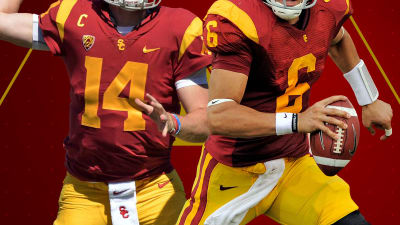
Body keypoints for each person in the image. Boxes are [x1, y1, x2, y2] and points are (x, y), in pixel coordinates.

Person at [177, 0, 393, 224]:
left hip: (294, 162)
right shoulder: (239, 18)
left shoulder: (326, 10)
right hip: (237, 169)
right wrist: (297, 121)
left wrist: (369, 98)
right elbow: (219, 116)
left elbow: (337, 39)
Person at [0, 0, 211, 224]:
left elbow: (203, 123)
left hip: (153, 190)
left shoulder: (180, 27)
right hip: (84, 192)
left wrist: (173, 123)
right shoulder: (74, 14)